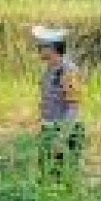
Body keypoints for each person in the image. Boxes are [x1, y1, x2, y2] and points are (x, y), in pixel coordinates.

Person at [32, 25, 84, 175]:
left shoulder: (68, 71)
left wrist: (62, 137)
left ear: (52, 48)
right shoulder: (49, 68)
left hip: (63, 131)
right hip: (49, 129)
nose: (39, 49)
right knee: (46, 176)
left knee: (61, 178)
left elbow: (73, 106)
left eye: (41, 46)